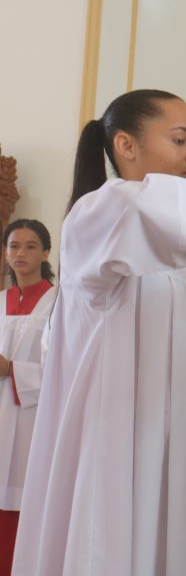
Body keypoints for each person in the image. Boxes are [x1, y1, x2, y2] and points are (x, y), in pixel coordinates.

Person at [12, 89, 186, 576]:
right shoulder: (95, 215)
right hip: (120, 446)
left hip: (185, 450)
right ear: (126, 146)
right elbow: (143, 209)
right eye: (180, 140)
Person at [0, 220, 56, 576]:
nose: (20, 253)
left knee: (26, 503)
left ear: (46, 252)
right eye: (14, 246)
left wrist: (11, 369)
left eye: (30, 246)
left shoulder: (58, 302)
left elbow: (64, 368)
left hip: (33, 419)